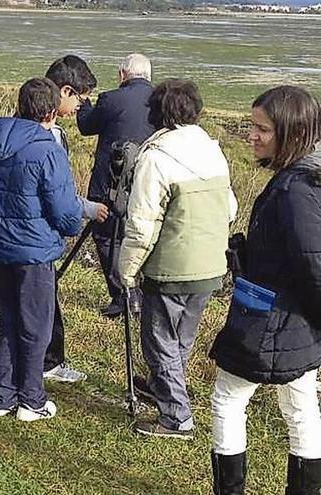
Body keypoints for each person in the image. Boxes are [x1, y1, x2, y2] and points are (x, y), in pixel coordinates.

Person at [209, 86, 321, 494]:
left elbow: (313, 264)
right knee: (301, 406)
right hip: (294, 322)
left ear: (291, 134)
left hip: (272, 317)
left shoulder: (295, 191)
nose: (252, 136)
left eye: (262, 130)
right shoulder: (304, 178)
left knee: (228, 399)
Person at [118, 79, 237, 440]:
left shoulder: (156, 158)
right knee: (180, 338)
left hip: (172, 265)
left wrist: (126, 270)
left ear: (157, 114)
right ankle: (165, 388)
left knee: (158, 341)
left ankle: (176, 417)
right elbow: (230, 208)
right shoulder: (212, 150)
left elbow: (141, 224)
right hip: (211, 263)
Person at [0, 78, 98, 422]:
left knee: (8, 317)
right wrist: (73, 226)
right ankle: (31, 399)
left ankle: (2, 396)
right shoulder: (47, 149)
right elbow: (62, 207)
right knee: (36, 325)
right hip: (33, 248)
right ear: (49, 111)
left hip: (0, 243)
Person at [26, 54, 101, 384]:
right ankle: (46, 363)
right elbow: (56, 192)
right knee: (42, 306)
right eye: (80, 100)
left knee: (19, 304)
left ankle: (0, 363)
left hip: (15, 233)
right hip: (39, 235)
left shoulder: (21, 124)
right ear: (66, 91)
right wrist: (83, 211)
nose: (80, 108)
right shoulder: (51, 137)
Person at [77, 53, 156, 318]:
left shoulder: (111, 99)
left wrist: (84, 103)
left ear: (122, 74)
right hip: (149, 183)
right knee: (142, 236)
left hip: (110, 183)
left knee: (105, 237)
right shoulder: (161, 100)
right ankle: (140, 295)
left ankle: (122, 295)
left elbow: (86, 126)